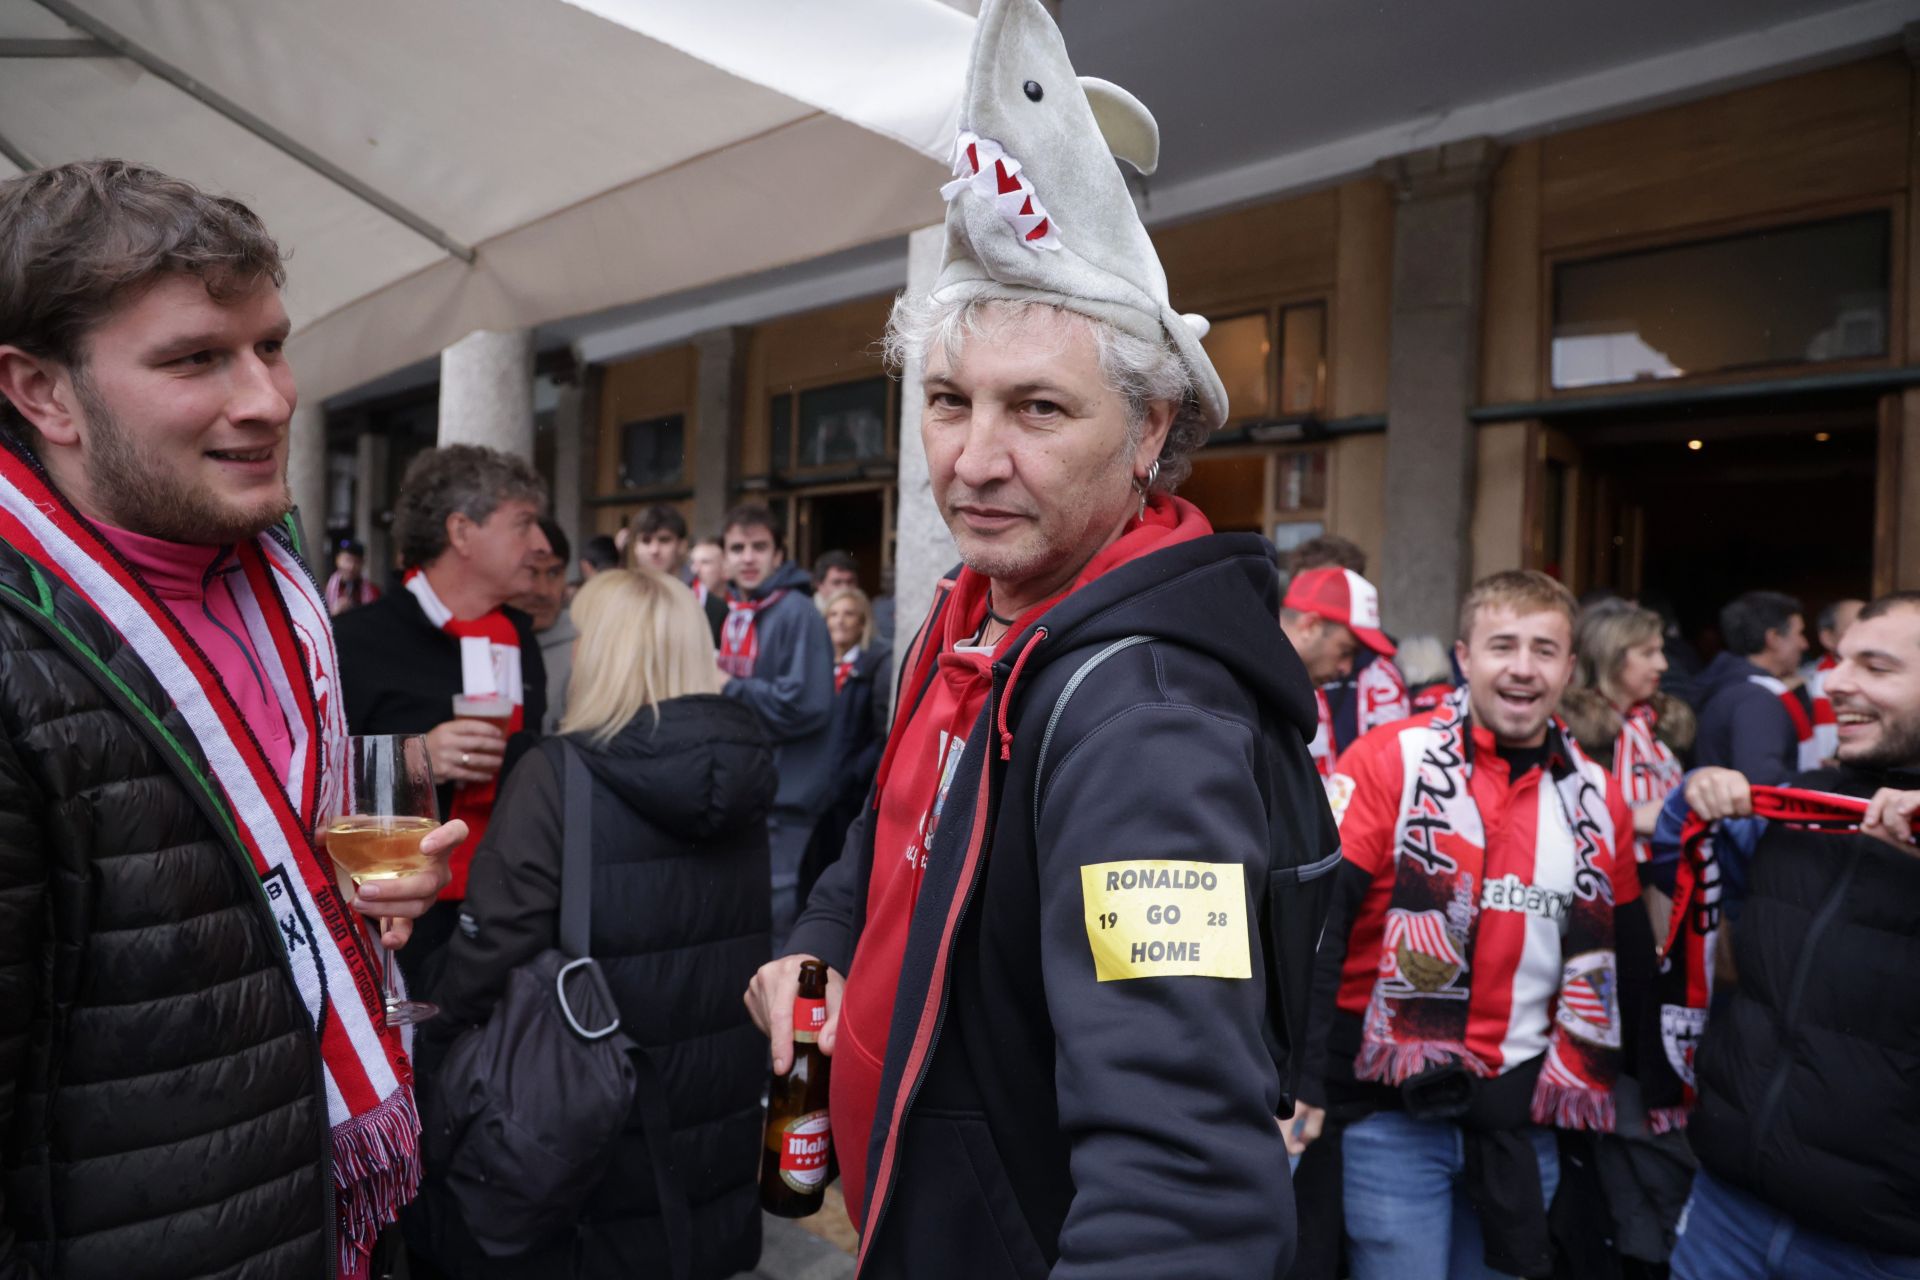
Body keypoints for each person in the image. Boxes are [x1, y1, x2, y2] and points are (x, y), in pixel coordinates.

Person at [745, 4, 1323, 1271]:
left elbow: (1183, 1185)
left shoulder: (1146, 718)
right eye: (949, 402)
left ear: (1153, 428)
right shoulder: (965, 616)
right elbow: (889, 837)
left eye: (1040, 407)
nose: (975, 459)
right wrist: (823, 944)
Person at [0, 159, 456, 1278]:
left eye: (270, 343)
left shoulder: (276, 580)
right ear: (42, 391)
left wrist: (335, 890)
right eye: (197, 358)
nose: (269, 397)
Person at [416, 567, 775, 1279]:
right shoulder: (743, 776)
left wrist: (432, 1026)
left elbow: (492, 957)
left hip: (583, 1124)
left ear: (598, 654)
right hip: (708, 1114)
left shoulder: (559, 773)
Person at [1295, 571, 1655, 1280]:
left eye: (1544, 650)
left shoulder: (1597, 797)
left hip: (1521, 1126)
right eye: (1503, 646)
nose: (1523, 668)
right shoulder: (1389, 758)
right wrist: (1300, 1083)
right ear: (1465, 657)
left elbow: (1628, 953)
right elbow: (1321, 929)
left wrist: (1662, 1090)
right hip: (1389, 1117)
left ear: (1569, 670)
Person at [1655, 592, 1920, 1280]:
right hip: (1727, 1211)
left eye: (1876, 666)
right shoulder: (1803, 804)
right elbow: (1729, 955)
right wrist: (1696, 806)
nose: (1833, 681)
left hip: (1879, 1251)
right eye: (1838, 660)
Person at [334, 444, 550, 980]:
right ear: (461, 532)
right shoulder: (358, 640)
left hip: (509, 909)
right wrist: (418, 760)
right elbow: (316, 783)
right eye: (524, 525)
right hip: (394, 923)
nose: (542, 546)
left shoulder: (519, 636)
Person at [717, 502, 835, 946]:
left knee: (775, 905)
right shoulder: (737, 612)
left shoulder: (796, 613)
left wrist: (729, 687)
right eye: (738, 547)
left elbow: (806, 704)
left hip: (787, 793)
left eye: (759, 547)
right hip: (751, 785)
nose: (748, 557)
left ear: (779, 554)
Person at [1560, 599, 1695, 871]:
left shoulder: (1664, 723)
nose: (1663, 664)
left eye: (1661, 651)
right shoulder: (1572, 730)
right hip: (1595, 873)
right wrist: (1630, 820)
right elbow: (1554, 820)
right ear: (1612, 657)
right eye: (1648, 653)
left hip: (1663, 871)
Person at [797, 585, 892, 908]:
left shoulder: (874, 667)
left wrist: (851, 775)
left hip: (848, 793)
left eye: (849, 614)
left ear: (863, 622)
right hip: (814, 792)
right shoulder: (815, 669)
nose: (839, 622)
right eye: (833, 614)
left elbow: (881, 734)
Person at [1287, 535, 1412, 757]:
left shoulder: (1379, 676)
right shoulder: (1260, 673)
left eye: (1333, 587)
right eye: (1304, 587)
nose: (1311, 601)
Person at [1280, 565, 1397, 781]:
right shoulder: (1249, 683)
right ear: (1310, 626)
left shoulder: (1282, 687)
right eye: (1345, 651)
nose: (1347, 668)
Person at [1691, 590, 1806, 785]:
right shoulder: (1756, 699)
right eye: (1800, 633)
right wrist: (1823, 779)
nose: (1805, 644)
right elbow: (1764, 782)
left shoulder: (1732, 683)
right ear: (1774, 638)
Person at [512, 517, 576, 734]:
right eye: (530, 573)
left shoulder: (588, 652)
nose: (543, 591)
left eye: (553, 573)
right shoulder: (478, 644)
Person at [631, 503, 727, 639]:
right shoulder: (619, 600)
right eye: (646, 541)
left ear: (682, 545)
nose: (654, 550)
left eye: (664, 540)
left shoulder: (712, 608)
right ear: (635, 547)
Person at [327, 535, 382, 614]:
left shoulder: (373, 592)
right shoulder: (325, 591)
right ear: (337, 560)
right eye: (347, 560)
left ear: (363, 563)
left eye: (356, 562)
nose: (351, 567)